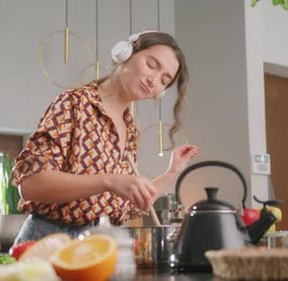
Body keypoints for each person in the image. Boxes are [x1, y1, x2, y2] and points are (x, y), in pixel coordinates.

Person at [11, 31, 199, 243]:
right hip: (49, 240)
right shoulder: (74, 104)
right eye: (151, 64)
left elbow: (126, 205)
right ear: (126, 53)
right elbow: (31, 185)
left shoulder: (129, 129)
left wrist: (172, 173)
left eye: (164, 80)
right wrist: (109, 181)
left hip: (97, 243)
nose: (154, 80)